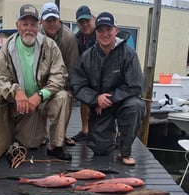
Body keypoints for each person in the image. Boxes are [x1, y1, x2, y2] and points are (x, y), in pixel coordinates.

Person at [0, 4, 72, 161]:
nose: (29, 29)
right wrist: (16, 91)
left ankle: (56, 146)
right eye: (25, 24)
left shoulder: (50, 46)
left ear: (39, 26)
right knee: (30, 143)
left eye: (33, 24)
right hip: (22, 105)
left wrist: (40, 95)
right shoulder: (7, 48)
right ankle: (40, 134)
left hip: (43, 98)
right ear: (17, 26)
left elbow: (59, 76)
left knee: (64, 96)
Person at [70, 11, 146, 165]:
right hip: (100, 106)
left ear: (116, 30)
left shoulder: (129, 54)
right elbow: (77, 85)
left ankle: (125, 152)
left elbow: (136, 86)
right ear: (95, 32)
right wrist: (95, 99)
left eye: (108, 30)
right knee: (100, 149)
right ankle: (110, 138)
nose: (105, 34)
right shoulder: (86, 57)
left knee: (136, 106)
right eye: (100, 30)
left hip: (123, 101)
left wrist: (108, 98)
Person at [39, 2, 79, 146]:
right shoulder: (35, 35)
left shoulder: (69, 38)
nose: (51, 24)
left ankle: (62, 134)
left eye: (54, 20)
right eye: (48, 20)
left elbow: (72, 67)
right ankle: (43, 132)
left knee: (67, 97)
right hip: (40, 81)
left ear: (59, 20)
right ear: (41, 21)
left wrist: (66, 87)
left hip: (62, 80)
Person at [71, 5, 96, 142]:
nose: (85, 24)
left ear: (93, 19)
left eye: (87, 21)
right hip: (87, 74)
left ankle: (116, 134)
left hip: (106, 75)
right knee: (83, 95)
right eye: (81, 22)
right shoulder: (78, 38)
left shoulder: (101, 32)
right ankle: (85, 130)